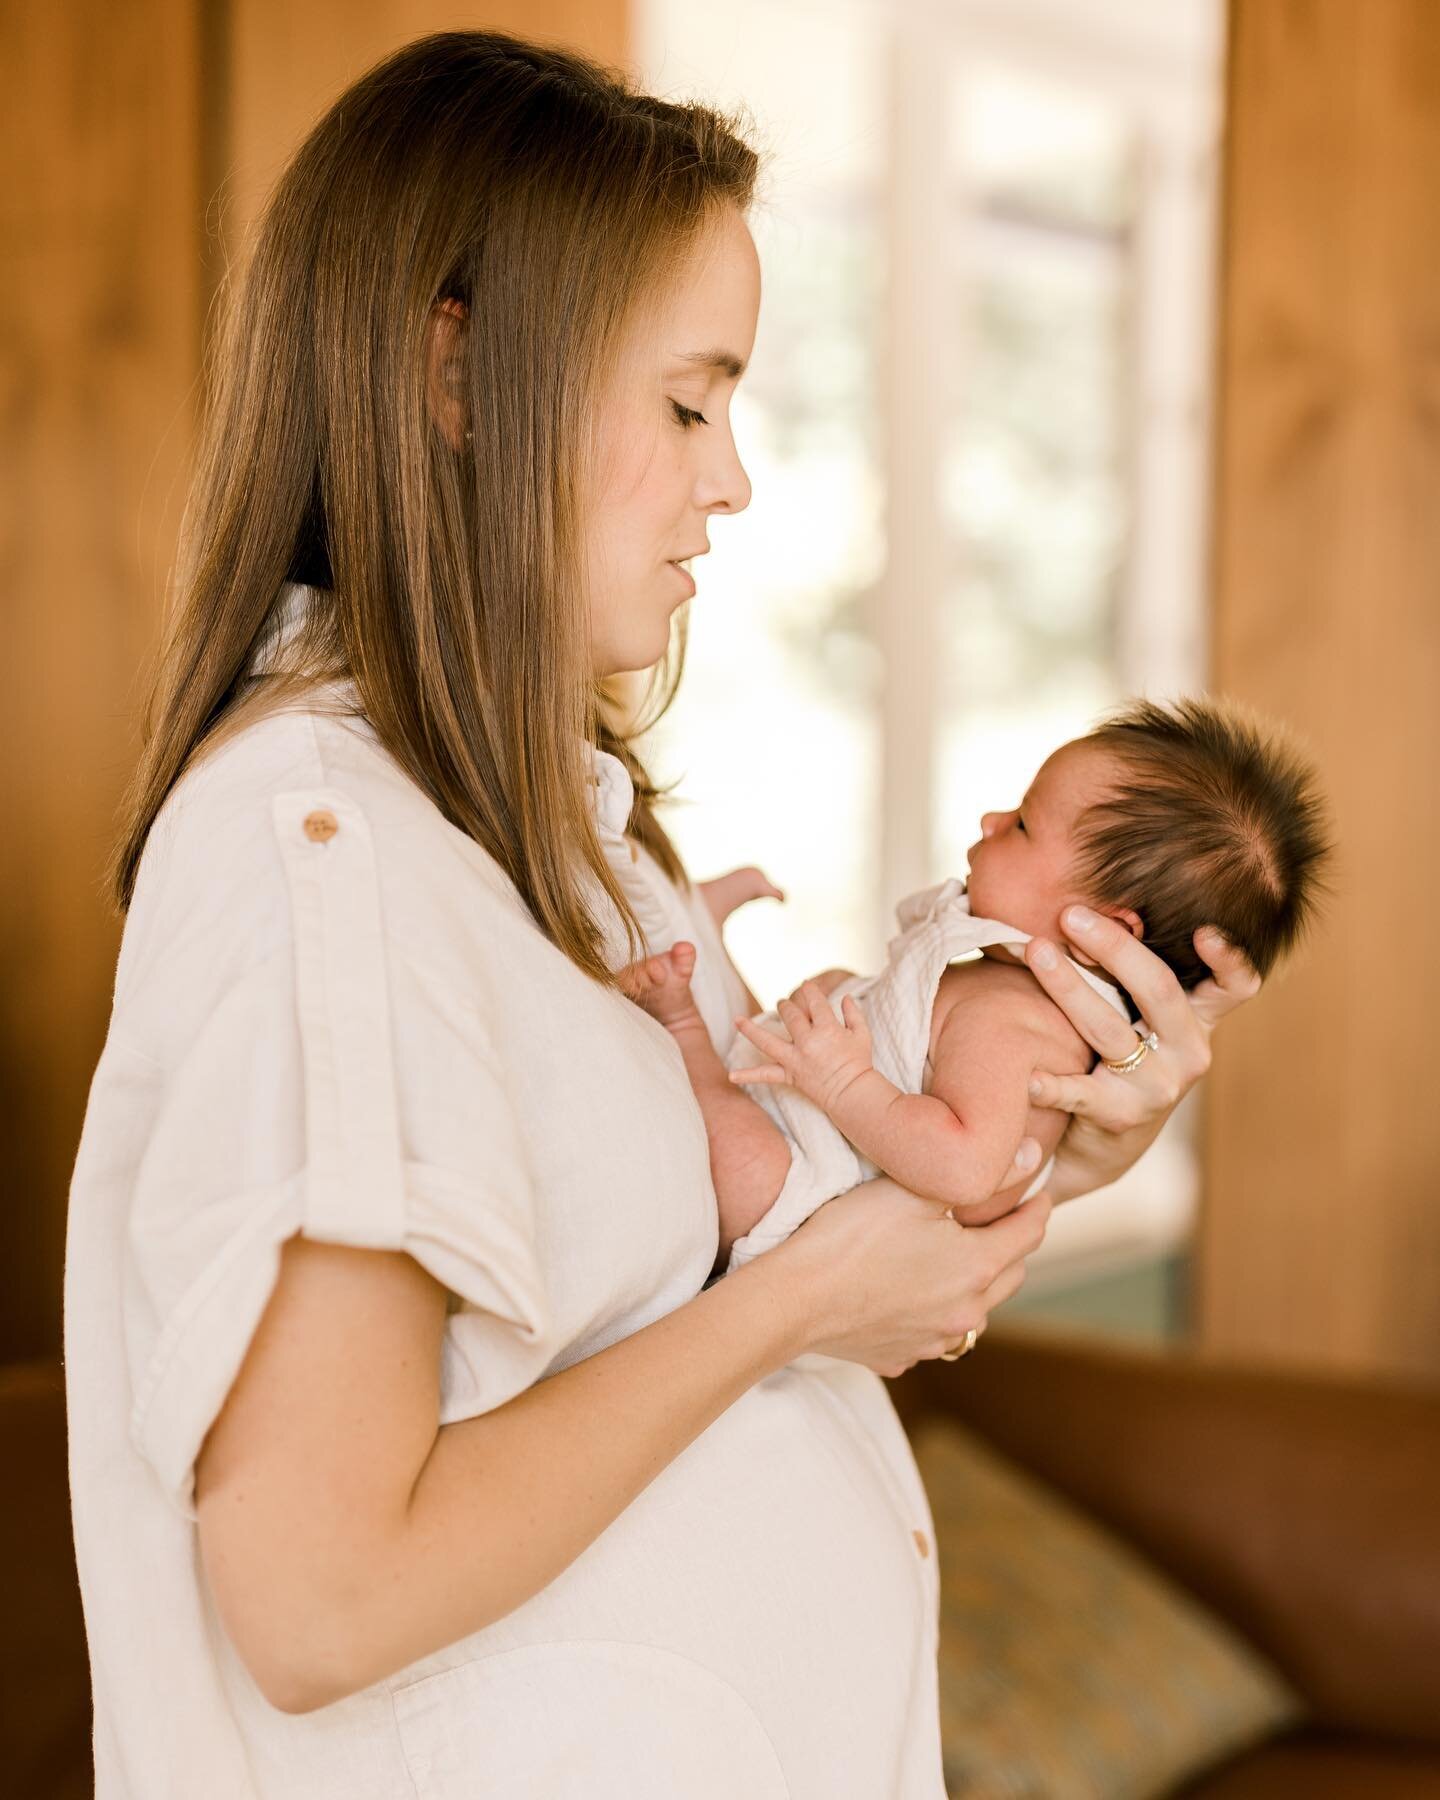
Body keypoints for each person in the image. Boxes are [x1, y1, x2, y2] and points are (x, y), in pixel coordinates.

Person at [62, 29, 1262, 1799]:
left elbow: (730, 1276)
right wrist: (804, 1303)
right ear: (461, 378)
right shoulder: (324, 856)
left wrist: (1025, 1143)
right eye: (691, 401)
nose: (733, 479)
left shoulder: (561, 831)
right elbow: (319, 1599)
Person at [625, 697, 1329, 1268]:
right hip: (819, 1139)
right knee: (824, 1007)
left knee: (749, 1166)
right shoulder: (1004, 983)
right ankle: (708, 954)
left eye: (1021, 824)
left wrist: (842, 1083)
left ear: (1101, 927)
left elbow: (964, 1168)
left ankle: (683, 1028)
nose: (991, 820)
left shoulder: (1017, 1024)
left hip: (806, 1206)